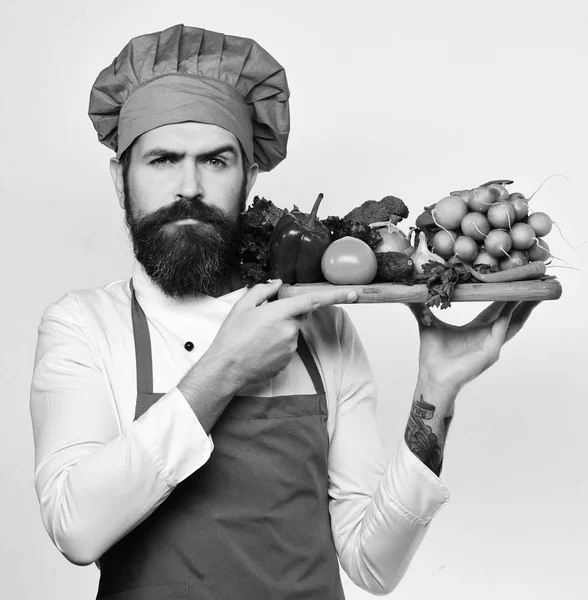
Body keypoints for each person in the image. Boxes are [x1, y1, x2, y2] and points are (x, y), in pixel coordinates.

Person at [30, 24, 539, 599]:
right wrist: (223, 370)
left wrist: (434, 394)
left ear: (248, 177)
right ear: (122, 182)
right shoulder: (83, 326)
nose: (189, 186)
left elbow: (375, 566)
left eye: (216, 161)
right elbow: (76, 530)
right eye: (162, 159)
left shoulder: (318, 322)